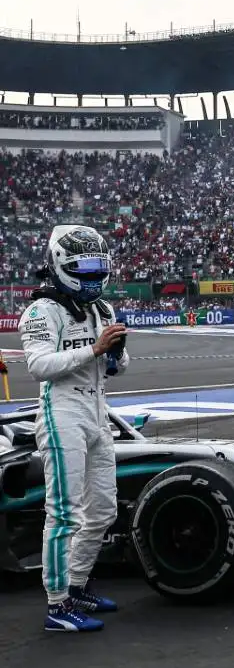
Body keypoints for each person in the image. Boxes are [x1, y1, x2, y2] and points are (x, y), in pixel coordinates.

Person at [19, 225, 129, 633]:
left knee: (102, 510)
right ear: (62, 267)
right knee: (64, 512)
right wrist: (95, 348)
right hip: (62, 410)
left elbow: (115, 367)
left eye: (98, 270)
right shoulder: (41, 311)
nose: (92, 278)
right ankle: (57, 604)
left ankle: (78, 585)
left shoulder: (103, 309)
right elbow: (38, 366)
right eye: (84, 270)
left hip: (98, 408)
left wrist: (115, 356)